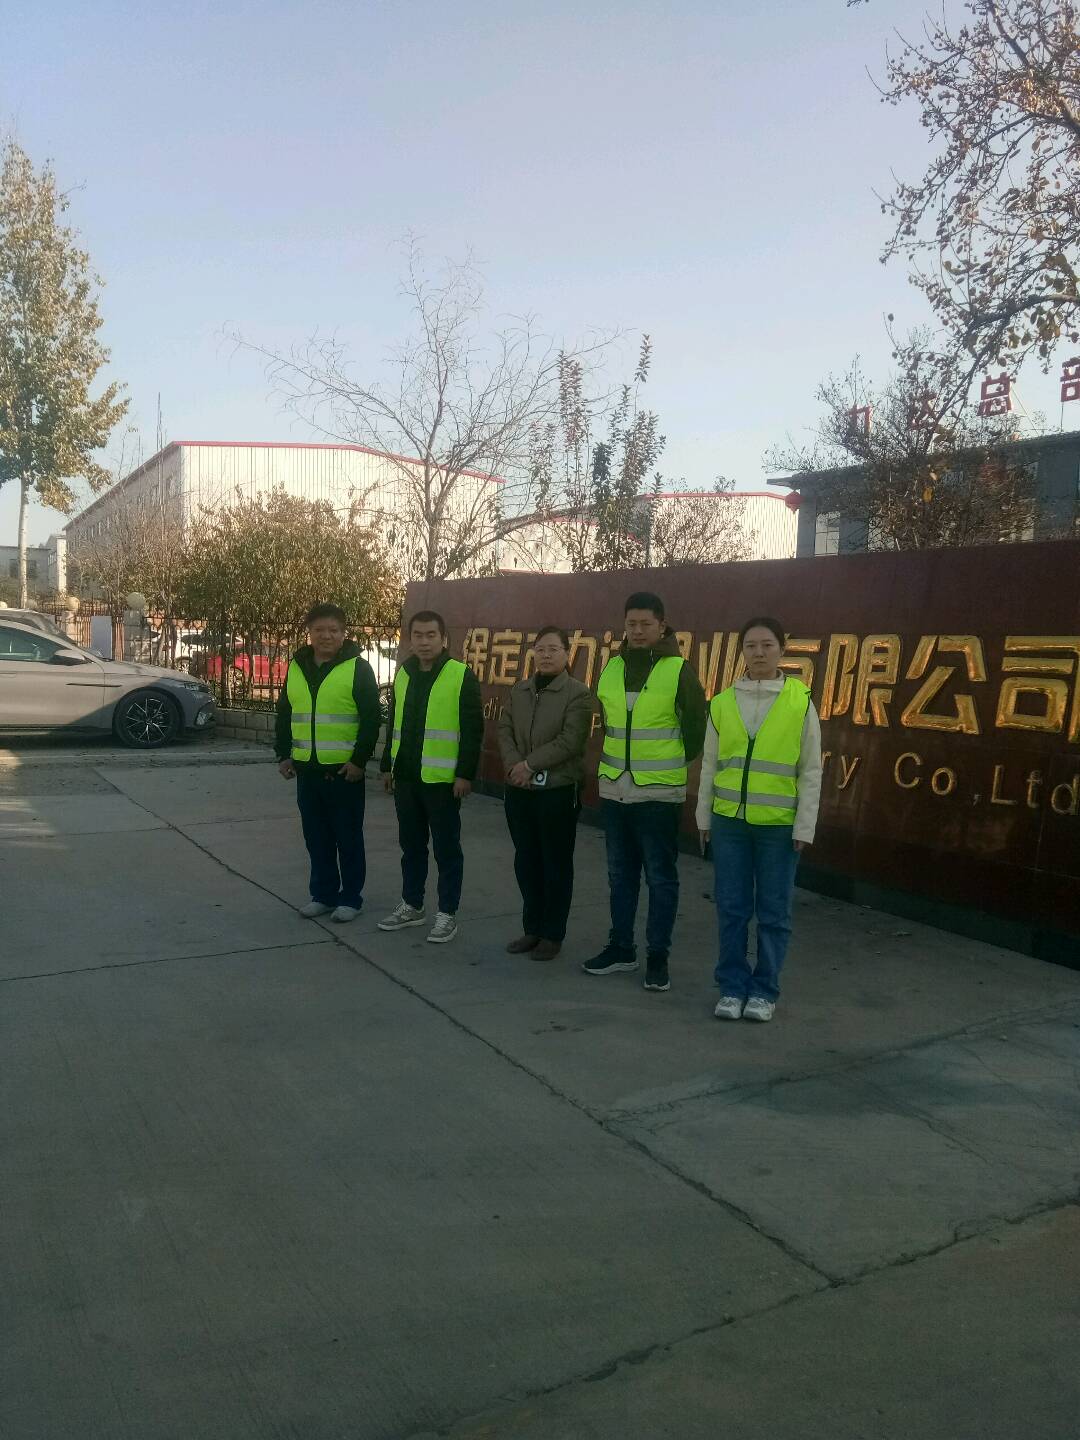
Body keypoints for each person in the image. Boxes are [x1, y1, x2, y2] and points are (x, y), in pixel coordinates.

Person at [697, 616, 822, 1023]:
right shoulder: (722, 702)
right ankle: (732, 987)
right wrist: (703, 818)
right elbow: (710, 765)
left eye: (767, 645)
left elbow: (810, 770)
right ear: (742, 653)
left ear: (782, 650)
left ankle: (765, 991)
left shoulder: (799, 702)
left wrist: (804, 825)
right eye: (751, 646)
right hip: (729, 823)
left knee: (774, 911)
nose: (759, 652)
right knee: (732, 908)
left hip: (778, 826)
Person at [583, 591, 706, 993]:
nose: (637, 631)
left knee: (660, 878)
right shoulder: (611, 668)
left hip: (658, 796)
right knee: (620, 875)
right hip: (615, 791)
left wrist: (667, 765)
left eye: (645, 624)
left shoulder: (678, 670)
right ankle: (621, 947)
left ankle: (658, 955)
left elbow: (695, 729)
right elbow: (608, 723)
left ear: (662, 625)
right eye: (631, 624)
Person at [378, 610, 483, 944]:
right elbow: (394, 723)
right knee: (411, 846)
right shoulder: (404, 673)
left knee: (446, 849)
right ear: (410, 639)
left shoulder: (460, 675)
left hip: (442, 781)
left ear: (443, 639)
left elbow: (473, 730)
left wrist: (464, 774)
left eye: (430, 635)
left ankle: (447, 913)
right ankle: (412, 905)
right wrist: (387, 765)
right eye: (418, 635)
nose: (424, 642)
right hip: (406, 777)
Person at [275, 603, 382, 923]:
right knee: (316, 838)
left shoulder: (358, 668)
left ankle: (351, 898)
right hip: (306, 769)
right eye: (319, 630)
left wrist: (359, 761)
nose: (326, 636)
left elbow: (371, 719)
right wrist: (283, 753)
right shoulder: (297, 667)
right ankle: (323, 895)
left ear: (343, 633)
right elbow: (285, 713)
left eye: (333, 630)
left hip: (343, 772)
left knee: (348, 838)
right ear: (309, 633)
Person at [497, 626, 594, 960]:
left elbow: (571, 741)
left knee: (555, 863)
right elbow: (504, 729)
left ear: (567, 654)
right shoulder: (520, 690)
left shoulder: (578, 694)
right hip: (520, 789)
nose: (546, 655)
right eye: (540, 649)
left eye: (554, 649)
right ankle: (532, 928)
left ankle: (552, 934)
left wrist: (529, 765)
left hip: (557, 790)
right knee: (526, 860)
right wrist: (515, 766)